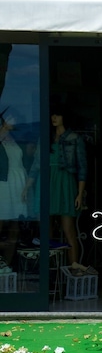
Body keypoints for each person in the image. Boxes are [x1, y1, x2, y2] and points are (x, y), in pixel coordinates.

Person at [49, 103, 87, 270]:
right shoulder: (48, 137)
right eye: (52, 115)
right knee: (47, 230)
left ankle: (74, 268)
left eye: (58, 115)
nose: (54, 118)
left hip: (65, 182)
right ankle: (49, 273)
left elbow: (82, 167)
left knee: (68, 229)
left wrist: (79, 194)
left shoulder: (74, 139)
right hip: (49, 181)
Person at [0, 108, 29, 266]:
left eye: (14, 118)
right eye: (9, 118)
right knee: (2, 219)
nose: (13, 121)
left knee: (14, 225)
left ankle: (7, 264)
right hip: (4, 183)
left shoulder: (16, 137)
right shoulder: (1, 135)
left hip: (18, 182)